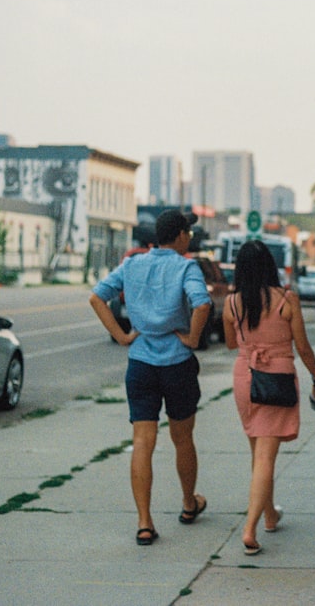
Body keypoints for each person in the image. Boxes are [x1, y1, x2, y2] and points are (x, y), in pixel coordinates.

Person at [88, 209, 211, 546]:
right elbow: (202, 305)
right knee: (182, 439)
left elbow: (96, 297)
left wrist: (122, 335)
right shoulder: (186, 266)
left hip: (140, 363)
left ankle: (144, 523)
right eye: (189, 233)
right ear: (183, 235)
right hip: (177, 364)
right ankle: (188, 504)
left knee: (142, 441)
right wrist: (193, 338)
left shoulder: (132, 264)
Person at [223, 239, 315, 556]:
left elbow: (229, 344)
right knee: (266, 456)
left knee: (258, 453)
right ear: (270, 266)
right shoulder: (287, 300)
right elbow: (303, 347)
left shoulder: (232, 303)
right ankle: (250, 529)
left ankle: (269, 515)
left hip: (244, 377)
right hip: (276, 379)